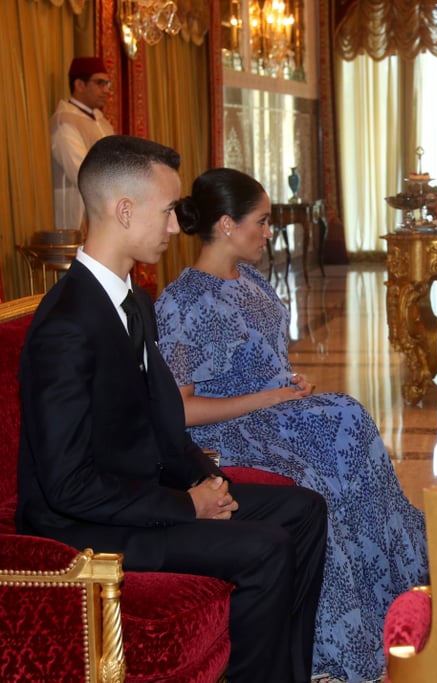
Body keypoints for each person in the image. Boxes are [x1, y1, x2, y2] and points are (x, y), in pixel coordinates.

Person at [17, 135, 328, 683]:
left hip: (141, 491)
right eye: (167, 212)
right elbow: (66, 485)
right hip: (83, 525)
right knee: (265, 547)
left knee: (302, 511)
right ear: (124, 209)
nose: (172, 227)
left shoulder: (134, 300)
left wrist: (209, 481)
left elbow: (165, 422)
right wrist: (187, 505)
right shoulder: (67, 324)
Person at [154, 167, 429, 682]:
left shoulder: (254, 280)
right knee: (321, 475)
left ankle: (393, 590)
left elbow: (264, 361)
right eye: (261, 221)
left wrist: (287, 383)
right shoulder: (179, 303)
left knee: (351, 418)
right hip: (226, 435)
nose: (268, 231)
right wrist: (270, 395)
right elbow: (183, 410)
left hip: (274, 414)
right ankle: (340, 641)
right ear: (227, 224)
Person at [51, 56, 115, 231]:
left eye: (108, 84)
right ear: (79, 85)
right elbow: (81, 171)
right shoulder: (64, 121)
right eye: (100, 83)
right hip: (77, 213)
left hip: (105, 211)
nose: (106, 90)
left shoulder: (102, 122)